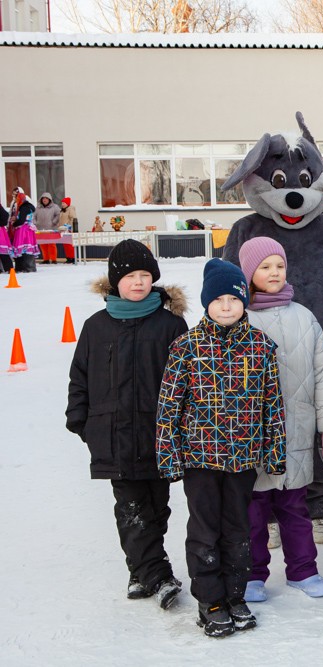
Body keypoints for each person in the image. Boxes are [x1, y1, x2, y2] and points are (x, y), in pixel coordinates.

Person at [156, 258, 286, 638]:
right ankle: (210, 598)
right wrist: (169, 456)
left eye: (234, 298)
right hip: (200, 459)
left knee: (238, 528)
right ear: (206, 302)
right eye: (219, 300)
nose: (227, 306)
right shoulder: (186, 346)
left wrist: (274, 452)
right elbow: (168, 407)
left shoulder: (261, 346)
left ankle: (235, 593)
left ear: (245, 301)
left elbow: (272, 403)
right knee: (205, 529)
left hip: (242, 459)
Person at [66, 240, 189, 610]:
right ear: (115, 281)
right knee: (130, 507)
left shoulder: (171, 325)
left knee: (156, 507)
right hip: (113, 434)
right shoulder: (96, 327)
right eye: (130, 276)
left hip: (159, 435)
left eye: (145, 276)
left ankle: (139, 568)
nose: (138, 282)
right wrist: (81, 420)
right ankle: (158, 575)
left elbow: (187, 380)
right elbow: (80, 377)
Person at [237, 238, 323, 603]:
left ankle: (303, 570)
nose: (274, 273)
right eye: (265, 267)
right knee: (254, 510)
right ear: (249, 274)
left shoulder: (303, 316)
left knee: (295, 508)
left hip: (296, 430)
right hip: (251, 437)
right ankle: (252, 575)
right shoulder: (238, 317)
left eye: (279, 266)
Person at [8, 187, 39, 273]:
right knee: (28, 248)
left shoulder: (23, 208)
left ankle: (25, 267)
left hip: (23, 230)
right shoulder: (29, 206)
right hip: (29, 230)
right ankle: (28, 267)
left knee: (22, 248)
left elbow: (21, 220)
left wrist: (14, 224)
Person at [34, 192, 61, 264]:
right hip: (40, 229)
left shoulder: (55, 207)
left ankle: (53, 259)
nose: (44, 200)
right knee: (43, 244)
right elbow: (34, 216)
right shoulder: (38, 208)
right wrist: (35, 223)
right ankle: (46, 259)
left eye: (46, 198)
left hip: (51, 229)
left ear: (49, 199)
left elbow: (58, 214)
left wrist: (54, 222)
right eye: (43, 199)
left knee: (51, 244)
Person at [57, 197, 78, 263]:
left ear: (67, 204)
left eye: (64, 203)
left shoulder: (70, 209)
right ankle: (68, 257)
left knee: (69, 245)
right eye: (62, 203)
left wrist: (69, 227)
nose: (62, 204)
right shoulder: (62, 210)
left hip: (68, 230)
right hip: (63, 230)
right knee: (65, 245)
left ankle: (72, 258)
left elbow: (73, 218)